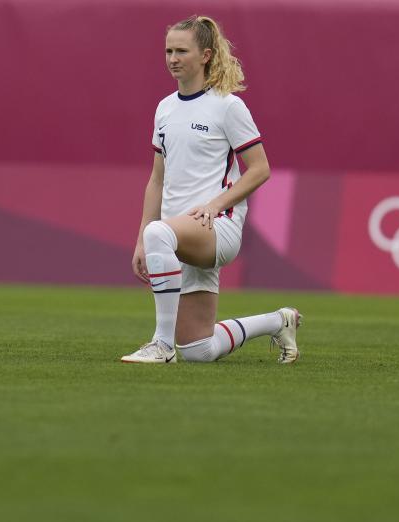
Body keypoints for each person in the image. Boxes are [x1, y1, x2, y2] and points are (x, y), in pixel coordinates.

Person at [122, 15, 300, 365]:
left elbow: (260, 169)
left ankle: (161, 345)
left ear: (204, 55)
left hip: (216, 228)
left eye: (181, 51)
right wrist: (142, 238)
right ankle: (279, 321)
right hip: (177, 234)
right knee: (198, 350)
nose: (173, 58)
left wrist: (216, 205)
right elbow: (157, 179)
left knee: (159, 232)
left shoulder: (227, 105)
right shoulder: (164, 108)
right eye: (168, 50)